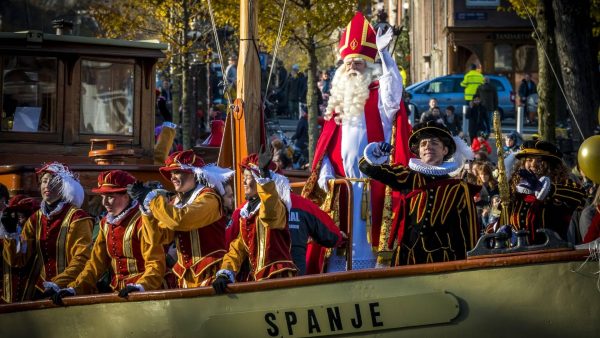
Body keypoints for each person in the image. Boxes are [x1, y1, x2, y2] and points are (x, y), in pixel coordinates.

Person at [302, 12, 409, 271]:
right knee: (338, 249)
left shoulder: (379, 99)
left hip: (374, 186)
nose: (352, 68)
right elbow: (326, 147)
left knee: (369, 247)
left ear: (369, 67)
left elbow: (394, 96)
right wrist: (325, 172)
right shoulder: (338, 103)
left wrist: (385, 56)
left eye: (358, 63)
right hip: (342, 187)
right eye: (348, 63)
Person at [358, 121, 480, 265]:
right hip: (407, 258)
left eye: (434, 143)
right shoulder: (408, 177)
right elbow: (366, 167)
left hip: (444, 261)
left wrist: (466, 264)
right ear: (419, 152)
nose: (428, 146)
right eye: (423, 144)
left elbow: (468, 232)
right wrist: (377, 152)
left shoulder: (459, 188)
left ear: (445, 151)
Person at [50, 170, 166, 304]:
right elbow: (95, 264)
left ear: (127, 196)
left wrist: (141, 287)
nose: (104, 202)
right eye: (103, 196)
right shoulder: (106, 223)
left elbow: (156, 263)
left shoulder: (143, 220)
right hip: (118, 294)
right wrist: (75, 288)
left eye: (110, 196)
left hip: (147, 294)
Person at [133, 150, 234, 288]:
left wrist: (153, 200)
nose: (173, 177)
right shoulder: (175, 202)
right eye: (172, 173)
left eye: (177, 172)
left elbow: (181, 220)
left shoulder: (209, 198)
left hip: (210, 274)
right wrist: (147, 212)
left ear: (193, 173)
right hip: (184, 278)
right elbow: (158, 238)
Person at [2, 162, 93, 300]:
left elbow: (82, 258)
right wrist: (11, 234)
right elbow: (19, 260)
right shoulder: (35, 219)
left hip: (72, 289)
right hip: (43, 291)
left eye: (53, 181)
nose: (47, 185)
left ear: (64, 187)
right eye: (44, 181)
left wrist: (57, 284)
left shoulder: (77, 217)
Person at [213, 152, 297, 294]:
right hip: (255, 282)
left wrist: (265, 177)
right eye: (243, 177)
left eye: (248, 177)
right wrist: (226, 272)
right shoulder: (246, 214)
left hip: (277, 280)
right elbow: (237, 248)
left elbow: (269, 214)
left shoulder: (278, 206)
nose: (243, 182)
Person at [506, 140, 586, 243]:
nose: (533, 165)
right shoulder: (515, 187)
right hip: (520, 249)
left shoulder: (562, 182)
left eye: (539, 160)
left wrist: (548, 189)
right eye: (529, 160)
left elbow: (580, 196)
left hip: (553, 249)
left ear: (550, 163)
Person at [1, 194, 40, 303]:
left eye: (21, 217)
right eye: (15, 218)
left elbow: (19, 260)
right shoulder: (8, 239)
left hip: (35, 304)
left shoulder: (38, 241)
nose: (18, 222)